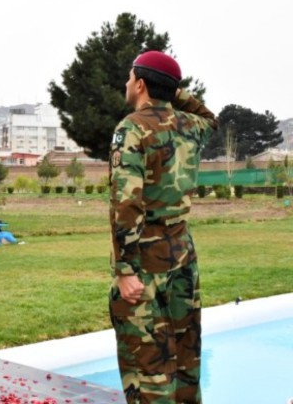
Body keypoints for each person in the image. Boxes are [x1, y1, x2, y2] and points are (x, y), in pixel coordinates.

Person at [108, 51, 217, 404]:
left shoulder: (132, 127)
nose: (126, 84)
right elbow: (209, 118)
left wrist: (125, 269)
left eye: (130, 78)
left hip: (145, 260)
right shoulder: (190, 126)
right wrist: (174, 92)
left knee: (149, 369)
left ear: (140, 84)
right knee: (186, 361)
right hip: (183, 252)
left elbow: (126, 203)